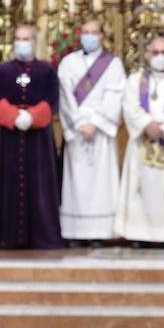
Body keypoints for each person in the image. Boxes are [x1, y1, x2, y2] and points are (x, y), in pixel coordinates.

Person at [0, 25, 64, 249]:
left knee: (40, 185)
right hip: (10, 137)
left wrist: (33, 116)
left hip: (38, 138)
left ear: (35, 41)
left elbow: (53, 99)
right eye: (19, 38)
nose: (22, 43)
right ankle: (9, 237)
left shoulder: (47, 70)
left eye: (27, 39)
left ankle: (41, 236)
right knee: (10, 184)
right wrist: (13, 116)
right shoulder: (3, 71)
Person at [116, 37, 164, 245]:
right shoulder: (135, 80)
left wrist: (162, 128)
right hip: (142, 141)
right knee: (141, 188)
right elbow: (130, 106)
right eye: (155, 52)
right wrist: (146, 125)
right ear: (147, 54)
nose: (160, 57)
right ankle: (138, 234)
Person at [57, 18, 126, 243]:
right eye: (85, 32)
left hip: (100, 131)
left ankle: (100, 232)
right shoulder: (68, 63)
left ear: (102, 36)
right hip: (77, 130)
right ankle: (74, 232)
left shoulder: (113, 64)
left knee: (100, 184)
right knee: (76, 182)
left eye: (94, 32)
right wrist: (79, 123)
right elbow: (64, 96)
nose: (89, 36)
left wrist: (95, 123)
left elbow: (115, 95)